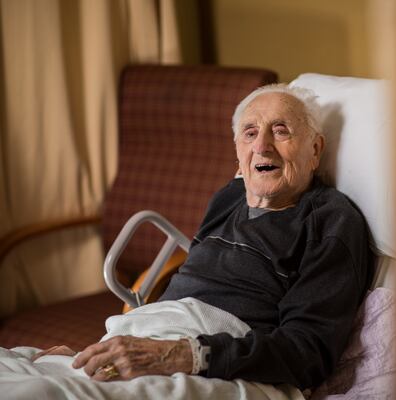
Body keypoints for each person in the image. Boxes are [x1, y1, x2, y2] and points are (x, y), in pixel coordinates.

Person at [33, 84, 372, 391]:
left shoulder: (331, 221)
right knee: (25, 374)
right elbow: (192, 288)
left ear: (315, 150)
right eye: (250, 133)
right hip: (150, 339)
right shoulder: (228, 197)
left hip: (222, 365)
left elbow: (307, 352)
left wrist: (185, 355)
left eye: (280, 131)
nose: (262, 147)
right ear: (238, 152)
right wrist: (100, 348)